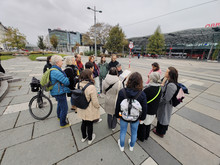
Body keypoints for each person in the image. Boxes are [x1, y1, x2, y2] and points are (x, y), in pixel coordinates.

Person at [115, 72, 147, 152]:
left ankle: (122, 146)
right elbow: (144, 108)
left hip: (124, 116)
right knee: (134, 132)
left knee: (123, 131)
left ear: (129, 80)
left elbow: (118, 105)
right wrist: (142, 118)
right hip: (135, 118)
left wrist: (118, 115)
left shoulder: (122, 92)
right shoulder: (142, 94)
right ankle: (131, 146)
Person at [76, 69, 100, 145]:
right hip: (89, 108)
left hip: (81, 107)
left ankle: (84, 137)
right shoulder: (91, 87)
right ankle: (90, 138)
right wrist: (98, 106)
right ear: (89, 76)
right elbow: (95, 101)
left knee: (83, 122)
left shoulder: (78, 84)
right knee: (90, 124)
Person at [153, 67, 178, 137]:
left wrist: (159, 102)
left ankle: (161, 132)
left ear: (170, 74)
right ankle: (159, 129)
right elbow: (162, 90)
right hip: (163, 103)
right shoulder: (167, 81)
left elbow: (166, 98)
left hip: (166, 105)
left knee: (164, 117)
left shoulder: (171, 85)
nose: (165, 73)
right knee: (161, 117)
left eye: (167, 72)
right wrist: (163, 82)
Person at [137, 72, 162, 141]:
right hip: (154, 110)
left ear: (151, 79)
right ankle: (146, 136)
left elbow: (142, 100)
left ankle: (141, 137)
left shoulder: (148, 89)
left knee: (142, 125)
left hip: (147, 110)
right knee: (148, 124)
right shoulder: (159, 88)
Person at [50, 55, 70, 128]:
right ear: (57, 62)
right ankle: (63, 123)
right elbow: (66, 82)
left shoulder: (54, 69)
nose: (62, 62)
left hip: (57, 91)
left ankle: (59, 116)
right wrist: (66, 78)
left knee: (60, 104)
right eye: (61, 60)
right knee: (64, 108)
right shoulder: (56, 72)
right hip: (59, 91)